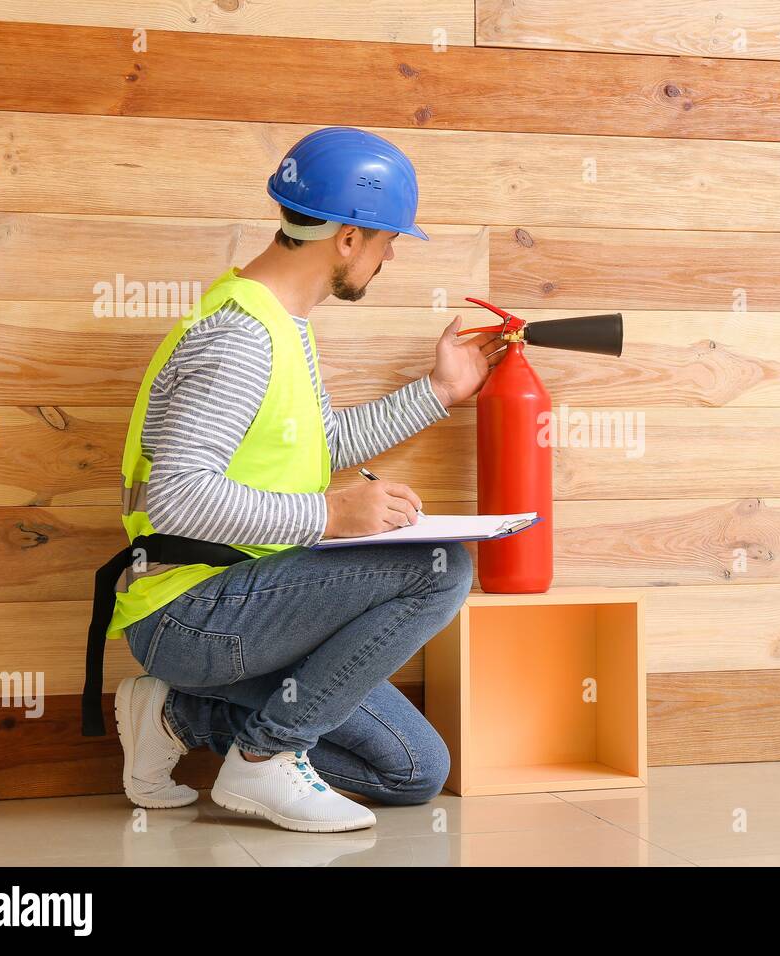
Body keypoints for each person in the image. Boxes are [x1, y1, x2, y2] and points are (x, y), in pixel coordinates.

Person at [87, 127, 504, 833]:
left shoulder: (279, 323)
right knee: (439, 569)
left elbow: (322, 446)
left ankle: (179, 714)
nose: (392, 255)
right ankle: (263, 762)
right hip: (192, 613)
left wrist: (438, 391)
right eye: (386, 240)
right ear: (347, 238)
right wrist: (332, 518)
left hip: (253, 602)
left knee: (412, 772)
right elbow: (179, 495)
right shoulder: (240, 338)